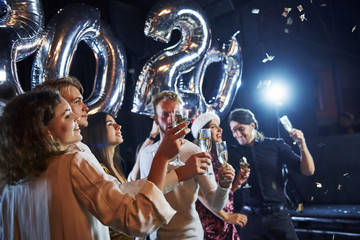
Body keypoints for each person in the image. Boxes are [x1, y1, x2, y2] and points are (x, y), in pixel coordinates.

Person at [0, 89, 189, 239]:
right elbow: (136, 218)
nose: (76, 117)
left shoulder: (10, 186)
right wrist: (162, 158)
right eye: (67, 115)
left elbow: (118, 190)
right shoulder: (73, 160)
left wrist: (179, 175)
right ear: (46, 132)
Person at [138, 90, 235, 239]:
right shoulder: (145, 154)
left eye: (175, 114)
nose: (171, 119)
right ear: (155, 119)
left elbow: (215, 204)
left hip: (189, 235)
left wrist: (223, 186)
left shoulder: (195, 152)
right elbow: (145, 200)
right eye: (165, 114)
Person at [228, 108, 315, 240]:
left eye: (240, 128)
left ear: (252, 125)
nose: (237, 134)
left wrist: (301, 143)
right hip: (249, 218)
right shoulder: (231, 152)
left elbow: (308, 171)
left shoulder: (275, 145)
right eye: (233, 131)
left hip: (278, 216)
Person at [191, 112, 247, 240]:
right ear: (202, 132)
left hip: (224, 224)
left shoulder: (215, 155)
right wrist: (226, 216)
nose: (220, 129)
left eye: (218, 126)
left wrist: (236, 183)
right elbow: (200, 193)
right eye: (213, 126)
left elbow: (219, 194)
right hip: (211, 225)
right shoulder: (198, 155)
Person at [81, 112, 132, 240]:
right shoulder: (99, 171)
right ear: (96, 132)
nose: (118, 126)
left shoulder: (114, 166)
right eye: (110, 124)